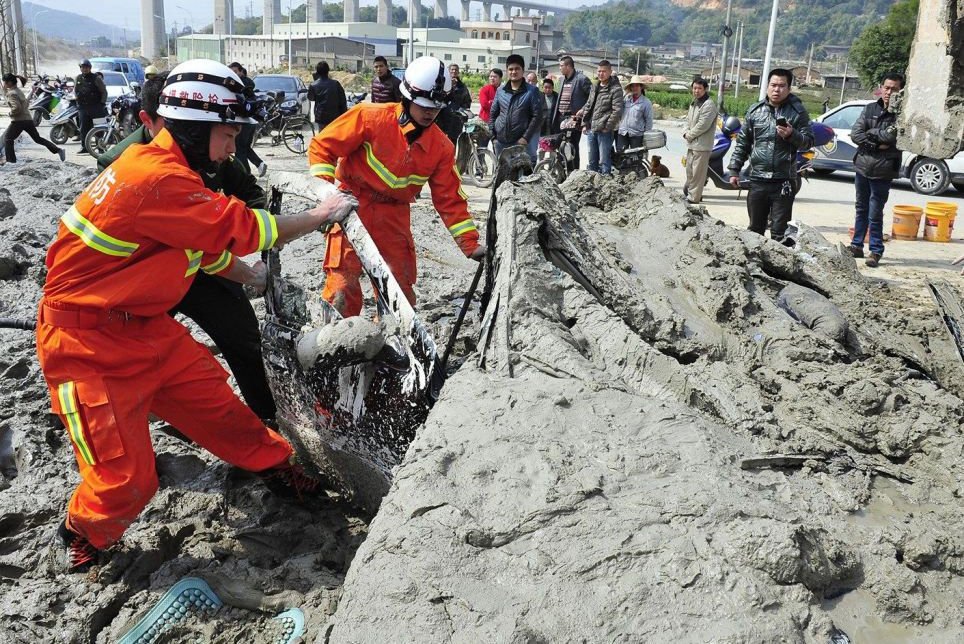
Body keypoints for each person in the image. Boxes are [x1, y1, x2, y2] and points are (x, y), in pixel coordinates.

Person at [40, 59, 357, 573]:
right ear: (194, 127)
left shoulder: (171, 172)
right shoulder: (153, 178)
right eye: (227, 135)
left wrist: (249, 278)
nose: (232, 147)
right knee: (127, 481)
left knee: (219, 407)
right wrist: (322, 215)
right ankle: (83, 534)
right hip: (87, 349)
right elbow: (246, 230)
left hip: (145, 327)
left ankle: (278, 469)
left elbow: (200, 247)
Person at [96, 72, 277, 422]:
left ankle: (266, 416)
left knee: (243, 340)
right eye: (169, 126)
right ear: (149, 120)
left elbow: (248, 194)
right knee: (136, 357)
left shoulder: (212, 145)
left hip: (202, 268)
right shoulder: (122, 163)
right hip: (144, 279)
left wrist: (250, 230)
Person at [307, 56, 484, 317]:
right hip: (352, 207)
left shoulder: (441, 147)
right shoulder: (369, 117)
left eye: (435, 108)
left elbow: (450, 200)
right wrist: (327, 194)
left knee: (399, 292)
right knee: (342, 286)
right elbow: (322, 147)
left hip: (394, 217)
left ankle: (390, 345)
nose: (429, 113)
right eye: (423, 106)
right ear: (407, 97)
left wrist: (470, 244)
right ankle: (339, 342)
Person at [728, 68, 814, 244]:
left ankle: (778, 271)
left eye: (782, 86)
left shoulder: (798, 113)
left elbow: (808, 142)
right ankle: (756, 268)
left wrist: (792, 134)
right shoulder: (755, 111)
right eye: (773, 85)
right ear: (767, 87)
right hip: (757, 179)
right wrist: (734, 169)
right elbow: (743, 143)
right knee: (755, 229)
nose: (777, 90)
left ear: (789, 89)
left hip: (783, 181)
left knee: (779, 233)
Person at [845, 72, 905, 268]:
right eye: (887, 88)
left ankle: (876, 250)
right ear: (882, 88)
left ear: (901, 91)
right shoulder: (870, 108)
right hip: (862, 165)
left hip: (883, 169)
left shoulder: (902, 114)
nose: (889, 92)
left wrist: (871, 135)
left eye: (894, 89)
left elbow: (892, 138)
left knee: (875, 211)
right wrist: (875, 142)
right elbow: (856, 134)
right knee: (860, 207)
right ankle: (856, 245)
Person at [490, 54, 543, 164]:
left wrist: (525, 138)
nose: (513, 72)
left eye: (517, 69)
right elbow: (493, 114)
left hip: (520, 142)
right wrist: (493, 136)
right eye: (511, 69)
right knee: (501, 176)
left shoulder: (532, 91)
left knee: (520, 177)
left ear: (523, 70)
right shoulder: (501, 91)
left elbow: (537, 116)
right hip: (500, 142)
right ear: (507, 71)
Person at [2, 73, 65, 164]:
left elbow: (17, 108)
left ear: (9, 82)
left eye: (4, 82)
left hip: (18, 121)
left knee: (8, 139)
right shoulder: (17, 91)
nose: (4, 84)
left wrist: (10, 113)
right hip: (27, 119)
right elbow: (26, 104)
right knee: (37, 139)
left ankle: (11, 162)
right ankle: (58, 150)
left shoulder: (12, 94)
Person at [578, 60, 623, 176]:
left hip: (605, 131)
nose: (601, 74)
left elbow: (617, 110)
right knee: (592, 160)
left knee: (604, 161)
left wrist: (608, 127)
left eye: (603, 71)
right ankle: (592, 186)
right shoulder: (595, 86)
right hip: (592, 129)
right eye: (599, 71)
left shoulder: (615, 89)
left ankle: (605, 184)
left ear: (610, 72)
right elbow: (589, 104)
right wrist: (584, 123)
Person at [551, 56, 592, 171]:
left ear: (568, 66)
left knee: (572, 148)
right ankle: (562, 173)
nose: (559, 68)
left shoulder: (582, 79)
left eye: (561, 65)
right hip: (561, 118)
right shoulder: (561, 80)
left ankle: (574, 173)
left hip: (574, 119)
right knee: (561, 148)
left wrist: (583, 110)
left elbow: (592, 98)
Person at [682, 77, 718, 204]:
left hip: (702, 145)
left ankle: (694, 198)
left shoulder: (709, 105)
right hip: (692, 144)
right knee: (690, 172)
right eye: (694, 88)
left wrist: (689, 134)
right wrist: (685, 132)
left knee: (698, 174)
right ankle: (693, 195)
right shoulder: (694, 102)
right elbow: (688, 120)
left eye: (699, 88)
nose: (696, 91)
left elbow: (703, 125)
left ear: (705, 89)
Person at [228, 62, 267, 177]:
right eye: (231, 72)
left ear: (241, 71)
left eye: (235, 71)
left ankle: (245, 176)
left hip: (242, 122)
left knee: (239, 150)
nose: (233, 74)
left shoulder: (237, 86)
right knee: (244, 147)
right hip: (251, 121)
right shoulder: (248, 85)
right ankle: (259, 164)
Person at [74, 59, 108, 155]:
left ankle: (100, 147)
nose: (84, 69)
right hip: (83, 107)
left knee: (99, 128)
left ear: (90, 68)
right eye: (83, 67)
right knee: (83, 128)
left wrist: (102, 103)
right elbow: (75, 90)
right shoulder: (78, 78)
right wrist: (77, 100)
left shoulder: (96, 78)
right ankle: (84, 147)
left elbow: (104, 92)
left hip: (96, 107)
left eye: (86, 67)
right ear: (80, 68)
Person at [438, 63, 473, 146]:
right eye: (452, 70)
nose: (454, 71)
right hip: (442, 120)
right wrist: (450, 87)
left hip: (456, 122)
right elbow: (440, 99)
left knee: (452, 145)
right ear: (448, 71)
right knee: (440, 144)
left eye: (456, 70)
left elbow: (467, 102)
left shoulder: (462, 87)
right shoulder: (442, 85)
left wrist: (462, 112)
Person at [308, 61, 348, 133]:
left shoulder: (313, 85)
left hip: (321, 117)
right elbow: (343, 100)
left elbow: (311, 98)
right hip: (335, 116)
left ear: (317, 72)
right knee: (334, 137)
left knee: (323, 137)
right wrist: (344, 115)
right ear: (328, 71)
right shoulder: (336, 84)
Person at [616, 75, 653, 151]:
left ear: (641, 87)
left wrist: (646, 136)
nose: (634, 88)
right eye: (632, 86)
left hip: (637, 135)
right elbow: (618, 109)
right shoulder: (626, 99)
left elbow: (649, 121)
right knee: (621, 157)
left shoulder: (646, 102)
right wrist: (626, 93)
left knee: (635, 159)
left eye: (637, 86)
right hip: (623, 132)